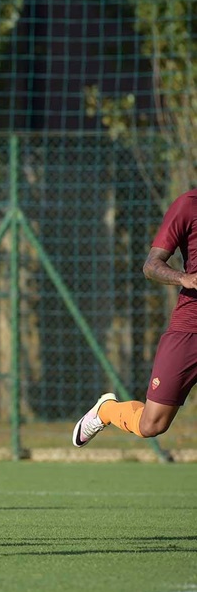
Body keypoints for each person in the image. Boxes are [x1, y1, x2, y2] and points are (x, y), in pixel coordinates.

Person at [73, 188, 197, 447]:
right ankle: (106, 410)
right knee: (152, 424)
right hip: (190, 329)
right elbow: (151, 266)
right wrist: (184, 278)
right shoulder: (187, 205)